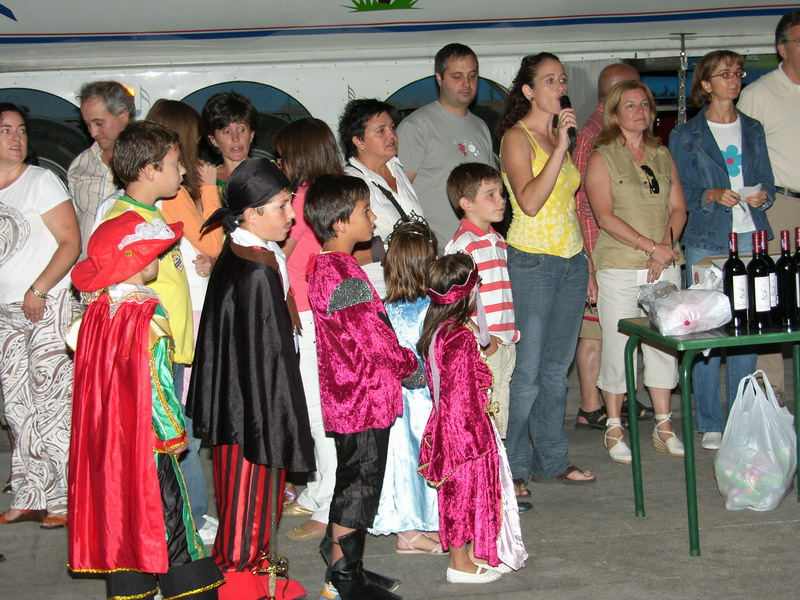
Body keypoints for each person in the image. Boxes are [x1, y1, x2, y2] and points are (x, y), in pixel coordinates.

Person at [68, 212, 224, 600]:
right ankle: (189, 588)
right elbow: (157, 380)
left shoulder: (99, 309)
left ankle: (132, 588)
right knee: (168, 515)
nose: (159, 259)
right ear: (138, 261)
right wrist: (172, 432)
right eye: (154, 253)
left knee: (121, 515)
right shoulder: (146, 312)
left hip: (108, 438)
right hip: (145, 439)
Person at [187, 159, 315, 600]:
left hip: (244, 397)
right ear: (251, 214)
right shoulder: (255, 268)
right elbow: (266, 353)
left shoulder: (247, 249)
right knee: (249, 495)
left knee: (257, 495)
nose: (292, 215)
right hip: (252, 406)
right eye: (281, 206)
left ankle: (259, 572)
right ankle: (240, 578)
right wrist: (275, 415)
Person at [304, 174, 424, 600]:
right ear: (339, 223)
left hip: (351, 394)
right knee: (359, 485)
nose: (373, 218)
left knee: (355, 480)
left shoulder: (328, 266)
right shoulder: (341, 272)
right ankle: (343, 577)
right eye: (365, 211)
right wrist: (411, 368)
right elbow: (374, 338)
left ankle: (344, 562)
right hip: (362, 397)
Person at [496, 53, 595, 494]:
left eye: (563, 79)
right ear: (529, 91)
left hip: (571, 261)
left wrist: (586, 264)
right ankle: (514, 466)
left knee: (557, 371)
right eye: (549, 80)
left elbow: (569, 206)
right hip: (532, 261)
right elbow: (531, 202)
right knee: (528, 373)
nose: (560, 87)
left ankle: (552, 459)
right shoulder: (516, 138)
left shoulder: (560, 136)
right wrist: (558, 149)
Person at [669, 50, 774, 451]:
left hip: (751, 237)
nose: (734, 79)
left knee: (747, 328)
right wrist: (711, 194)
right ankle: (710, 421)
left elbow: (767, 180)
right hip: (706, 238)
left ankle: (741, 416)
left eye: (738, 73)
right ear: (706, 84)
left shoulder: (754, 128)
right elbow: (681, 192)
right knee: (708, 331)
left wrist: (763, 195)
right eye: (725, 74)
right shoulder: (686, 135)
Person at [585, 80, 687, 464]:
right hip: (619, 267)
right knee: (618, 346)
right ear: (614, 114)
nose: (640, 111)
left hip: (664, 265)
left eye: (644, 104)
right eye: (630, 105)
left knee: (662, 346)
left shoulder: (662, 154)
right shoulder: (602, 157)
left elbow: (678, 208)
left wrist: (664, 249)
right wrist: (650, 247)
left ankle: (664, 425)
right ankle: (614, 427)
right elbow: (604, 217)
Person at [417, 253, 527, 584]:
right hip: (464, 432)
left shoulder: (439, 328)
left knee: (468, 494)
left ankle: (474, 553)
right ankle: (459, 562)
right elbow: (461, 394)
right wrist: (475, 437)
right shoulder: (459, 337)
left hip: (453, 426)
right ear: (466, 292)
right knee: (460, 497)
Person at [147, 98, 225, 543]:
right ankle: (191, 514)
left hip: (186, 310)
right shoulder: (175, 194)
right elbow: (213, 243)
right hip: (187, 314)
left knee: (183, 419)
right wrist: (210, 189)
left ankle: (189, 511)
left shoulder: (169, 192)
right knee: (184, 422)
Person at [0, 103, 81, 529]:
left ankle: (64, 497)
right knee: (17, 405)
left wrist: (38, 289)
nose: (16, 138)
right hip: (6, 310)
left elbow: (70, 242)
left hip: (47, 303)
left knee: (52, 403)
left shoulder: (41, 180)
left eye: (21, 130)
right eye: (5, 130)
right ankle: (29, 492)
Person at [274, 118, 344, 542]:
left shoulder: (302, 199)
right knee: (317, 408)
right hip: (321, 310)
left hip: (308, 312)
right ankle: (319, 488)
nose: (279, 162)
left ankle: (330, 497)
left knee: (318, 411)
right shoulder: (329, 192)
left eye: (283, 155)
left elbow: (282, 254)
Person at [571, 63, 649, 431]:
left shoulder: (605, 129)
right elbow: (581, 202)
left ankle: (618, 396)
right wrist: (589, 258)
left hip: (610, 243)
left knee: (612, 329)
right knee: (594, 330)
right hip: (599, 244)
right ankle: (590, 405)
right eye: (633, 95)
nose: (640, 104)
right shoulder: (594, 133)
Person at [738, 9, 800, 401]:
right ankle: (770, 392)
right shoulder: (758, 95)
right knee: (774, 294)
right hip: (783, 204)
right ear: (782, 48)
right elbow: (739, 158)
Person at [369, 217, 442, 553]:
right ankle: (408, 531)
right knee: (412, 459)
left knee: (414, 460)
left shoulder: (386, 308)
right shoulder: (429, 310)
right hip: (417, 400)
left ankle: (424, 521)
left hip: (403, 400)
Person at [443, 163, 519, 440]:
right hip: (484, 348)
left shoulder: (497, 240)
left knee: (500, 415)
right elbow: (453, 304)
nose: (501, 200)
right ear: (466, 203)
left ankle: (498, 465)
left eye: (501, 193)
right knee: (484, 417)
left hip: (505, 341)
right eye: (491, 195)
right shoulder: (463, 246)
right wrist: (484, 339)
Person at [397, 43, 495, 247]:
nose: (466, 83)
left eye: (472, 76)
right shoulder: (417, 126)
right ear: (439, 78)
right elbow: (399, 192)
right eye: (457, 76)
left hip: (479, 246)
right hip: (436, 249)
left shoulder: (480, 126)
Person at [339, 98, 424, 297]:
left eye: (392, 127)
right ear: (358, 141)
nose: (391, 135)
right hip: (379, 294)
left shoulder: (397, 169)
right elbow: (341, 252)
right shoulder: (350, 183)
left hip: (415, 287)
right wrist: (392, 249)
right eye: (381, 131)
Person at [68, 81, 135, 257]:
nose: (93, 132)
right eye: (87, 124)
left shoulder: (147, 162)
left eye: (99, 123)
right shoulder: (80, 164)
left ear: (123, 115)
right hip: (88, 268)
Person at [201, 92, 256, 185]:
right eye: (227, 132)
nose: (235, 138)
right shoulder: (207, 181)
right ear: (213, 140)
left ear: (251, 135)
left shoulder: (270, 172)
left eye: (241, 130)